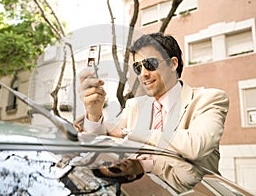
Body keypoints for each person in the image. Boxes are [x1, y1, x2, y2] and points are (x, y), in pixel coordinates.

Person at [74, 32, 229, 192]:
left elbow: (195, 147)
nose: (143, 74)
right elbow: (106, 145)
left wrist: (131, 134)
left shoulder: (210, 99)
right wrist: (94, 113)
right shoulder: (134, 106)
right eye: (138, 67)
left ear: (173, 64)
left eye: (150, 64)